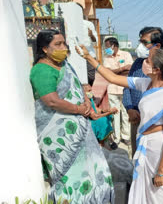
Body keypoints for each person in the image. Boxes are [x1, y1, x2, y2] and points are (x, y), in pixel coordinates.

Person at [77, 44, 163, 204]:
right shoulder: (144, 83)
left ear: (157, 70)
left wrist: (161, 170)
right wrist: (89, 58)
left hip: (159, 149)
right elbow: (112, 78)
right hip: (145, 145)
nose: (143, 62)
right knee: (146, 189)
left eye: (147, 61)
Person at [29, 30, 114, 203]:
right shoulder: (41, 70)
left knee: (92, 169)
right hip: (58, 134)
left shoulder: (65, 65)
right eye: (57, 44)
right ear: (45, 49)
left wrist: (88, 108)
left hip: (81, 131)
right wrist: (78, 109)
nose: (63, 47)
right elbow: (51, 101)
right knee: (70, 175)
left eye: (64, 43)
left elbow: (78, 88)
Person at [122, 27, 163, 157]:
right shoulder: (137, 63)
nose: (140, 46)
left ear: (157, 45)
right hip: (136, 117)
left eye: (144, 42)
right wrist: (129, 109)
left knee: (153, 157)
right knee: (137, 156)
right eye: (140, 42)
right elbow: (127, 86)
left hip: (155, 122)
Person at [103, 37, 133, 145]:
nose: (106, 49)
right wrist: (121, 69)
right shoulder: (107, 58)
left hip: (125, 88)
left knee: (125, 113)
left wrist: (114, 73)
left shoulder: (126, 55)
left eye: (107, 46)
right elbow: (107, 72)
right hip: (112, 89)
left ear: (114, 46)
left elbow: (130, 70)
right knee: (115, 114)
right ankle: (116, 137)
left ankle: (126, 136)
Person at [77, 3, 98, 86]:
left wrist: (91, 35)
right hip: (77, 55)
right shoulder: (70, 23)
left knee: (91, 77)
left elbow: (95, 41)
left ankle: (88, 92)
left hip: (90, 54)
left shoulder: (88, 24)